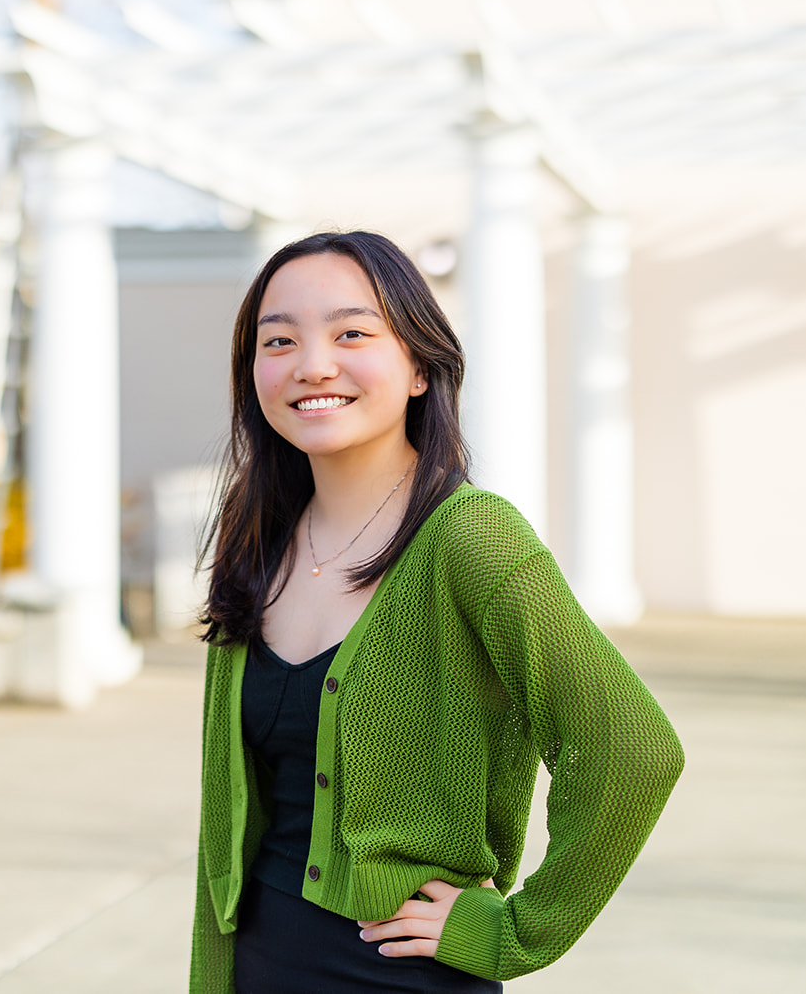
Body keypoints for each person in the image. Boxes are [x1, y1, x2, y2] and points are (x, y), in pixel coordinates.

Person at [190, 231, 684, 993]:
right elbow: (229, 831)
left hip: (401, 976)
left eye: (351, 332)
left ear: (420, 365)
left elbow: (631, 748)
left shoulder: (471, 535)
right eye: (278, 339)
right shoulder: (258, 539)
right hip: (258, 963)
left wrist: (520, 932)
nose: (312, 364)